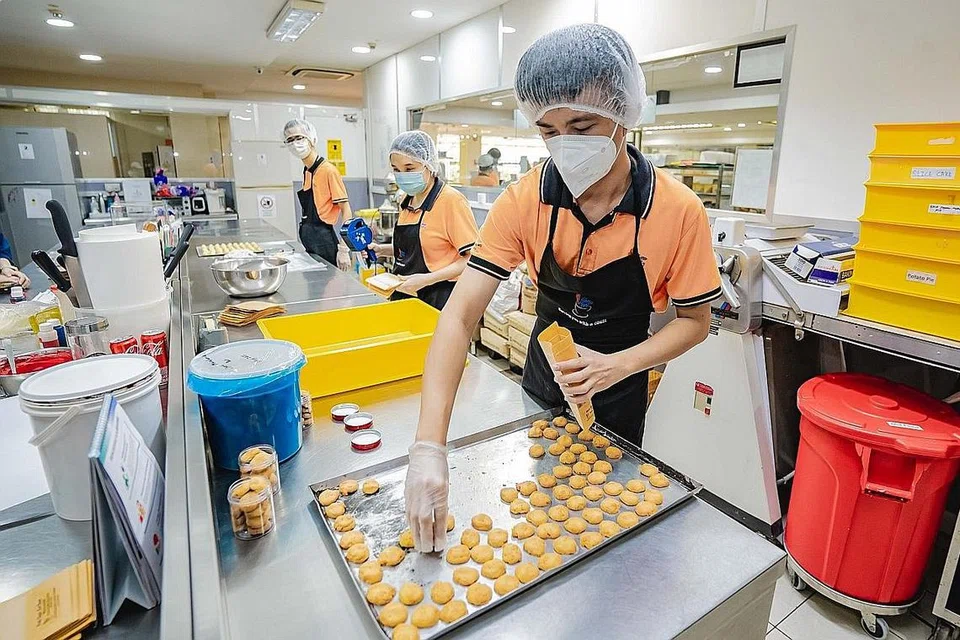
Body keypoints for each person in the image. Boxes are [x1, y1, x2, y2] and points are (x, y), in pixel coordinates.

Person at [403, 24, 722, 552]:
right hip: (541, 381)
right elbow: (459, 318)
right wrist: (428, 447)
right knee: (544, 507)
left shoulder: (676, 210)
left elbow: (695, 324)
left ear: (624, 114)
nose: (563, 145)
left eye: (581, 124)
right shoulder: (524, 200)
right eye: (548, 131)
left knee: (605, 528)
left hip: (620, 386)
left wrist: (615, 366)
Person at [368, 131, 479, 311]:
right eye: (396, 169)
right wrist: (383, 250)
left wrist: (425, 280)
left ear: (429, 165)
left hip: (440, 297)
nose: (402, 175)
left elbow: (472, 258)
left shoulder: (450, 201)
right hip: (406, 293)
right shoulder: (407, 199)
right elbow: (418, 250)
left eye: (409, 168)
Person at [283, 119, 352, 270]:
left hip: (324, 241)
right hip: (309, 240)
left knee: (331, 289)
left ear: (312, 139)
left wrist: (343, 248)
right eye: (290, 140)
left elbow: (346, 210)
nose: (295, 143)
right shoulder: (307, 171)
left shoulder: (328, 170)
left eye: (299, 138)